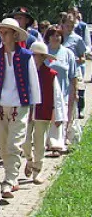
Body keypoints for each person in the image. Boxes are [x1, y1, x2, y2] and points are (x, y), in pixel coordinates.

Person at [0, 17, 41, 199]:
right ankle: (13, 178)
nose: (3, 35)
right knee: (2, 143)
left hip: (20, 104)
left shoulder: (26, 56)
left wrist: (34, 108)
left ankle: (9, 180)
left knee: (13, 143)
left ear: (15, 34)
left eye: (6, 32)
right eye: (1, 32)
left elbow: (33, 82)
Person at [22, 43, 63, 184]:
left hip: (43, 111)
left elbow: (57, 95)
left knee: (39, 142)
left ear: (42, 57)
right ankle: (29, 160)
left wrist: (57, 115)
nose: (33, 58)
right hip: (26, 112)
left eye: (36, 55)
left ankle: (37, 171)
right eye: (31, 55)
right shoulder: (24, 73)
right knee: (24, 140)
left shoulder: (50, 75)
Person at [44, 25, 77, 154]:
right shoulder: (43, 52)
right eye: (52, 35)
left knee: (60, 118)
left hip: (63, 92)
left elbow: (73, 76)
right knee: (46, 119)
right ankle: (47, 143)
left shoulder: (68, 53)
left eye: (58, 35)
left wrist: (75, 92)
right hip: (45, 92)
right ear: (48, 37)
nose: (55, 38)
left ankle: (57, 145)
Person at [61, 13, 86, 119]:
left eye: (72, 26)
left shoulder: (77, 39)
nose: (70, 28)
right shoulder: (58, 36)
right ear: (62, 24)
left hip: (75, 70)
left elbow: (83, 58)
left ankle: (79, 110)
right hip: (62, 71)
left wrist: (76, 60)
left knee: (77, 92)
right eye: (67, 25)